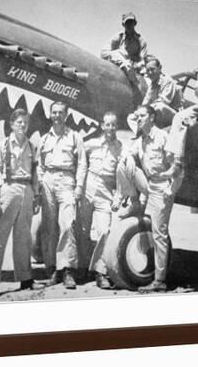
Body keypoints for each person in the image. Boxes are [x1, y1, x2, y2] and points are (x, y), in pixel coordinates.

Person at [113, 104, 184, 293]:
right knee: (123, 164)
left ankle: (160, 281)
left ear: (152, 118)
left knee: (159, 233)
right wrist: (128, 156)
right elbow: (127, 152)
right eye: (136, 116)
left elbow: (178, 167)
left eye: (142, 116)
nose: (138, 119)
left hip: (162, 188)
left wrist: (172, 188)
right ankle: (134, 202)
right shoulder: (140, 139)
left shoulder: (162, 137)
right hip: (148, 184)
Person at [0, 109, 43, 299]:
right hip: (8, 190)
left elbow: (35, 174)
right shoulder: (2, 145)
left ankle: (25, 278)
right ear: (11, 124)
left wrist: (37, 196)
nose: (22, 125)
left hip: (27, 191)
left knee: (24, 237)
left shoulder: (32, 147)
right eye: (19, 122)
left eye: (25, 122)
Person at [37, 101, 87, 289]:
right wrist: (41, 184)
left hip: (67, 180)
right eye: (54, 112)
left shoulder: (74, 137)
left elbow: (82, 163)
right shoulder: (44, 139)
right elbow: (40, 165)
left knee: (67, 225)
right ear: (50, 115)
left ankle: (67, 270)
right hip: (48, 181)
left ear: (66, 115)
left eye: (60, 113)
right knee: (49, 227)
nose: (57, 116)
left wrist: (79, 186)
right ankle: (52, 270)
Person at [77, 111, 122, 289]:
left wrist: (119, 196)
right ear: (102, 126)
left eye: (113, 124)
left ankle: (100, 272)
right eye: (107, 124)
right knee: (82, 231)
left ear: (116, 126)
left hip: (105, 192)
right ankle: (82, 268)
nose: (110, 128)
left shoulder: (120, 147)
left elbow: (122, 174)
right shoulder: (90, 144)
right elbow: (78, 161)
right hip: (88, 188)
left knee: (104, 232)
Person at [101, 12, 152, 97]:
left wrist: (136, 66)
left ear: (135, 23)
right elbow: (104, 52)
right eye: (127, 23)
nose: (129, 25)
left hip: (136, 69)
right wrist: (121, 60)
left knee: (150, 83)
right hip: (118, 64)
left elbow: (143, 60)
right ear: (123, 24)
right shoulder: (118, 37)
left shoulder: (140, 41)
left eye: (131, 22)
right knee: (116, 54)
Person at [140, 57, 184, 128]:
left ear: (159, 68)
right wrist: (140, 111)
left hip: (175, 116)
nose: (150, 72)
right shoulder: (152, 85)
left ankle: (158, 130)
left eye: (152, 69)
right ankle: (143, 133)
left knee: (158, 107)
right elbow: (146, 102)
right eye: (148, 70)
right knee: (133, 116)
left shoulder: (168, 81)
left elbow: (163, 101)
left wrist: (146, 111)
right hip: (158, 112)